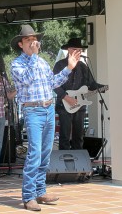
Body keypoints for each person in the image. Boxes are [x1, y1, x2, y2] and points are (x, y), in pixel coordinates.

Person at [10, 25, 80, 211]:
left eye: (34, 39)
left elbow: (52, 82)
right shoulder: (17, 64)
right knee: (34, 154)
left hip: (48, 109)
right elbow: (26, 79)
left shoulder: (41, 62)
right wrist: (33, 56)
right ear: (20, 44)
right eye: (28, 40)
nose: (33, 42)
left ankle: (40, 191)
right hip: (33, 111)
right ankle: (28, 196)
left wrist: (69, 69)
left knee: (45, 154)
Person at [53, 38, 106, 150]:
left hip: (80, 105)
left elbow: (91, 84)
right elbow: (54, 85)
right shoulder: (60, 64)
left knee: (79, 137)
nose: (78, 52)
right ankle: (64, 164)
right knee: (65, 136)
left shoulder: (83, 66)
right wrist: (67, 98)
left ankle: (79, 163)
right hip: (64, 105)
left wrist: (104, 87)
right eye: (75, 49)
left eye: (80, 50)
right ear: (68, 50)